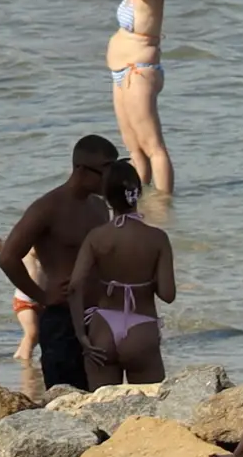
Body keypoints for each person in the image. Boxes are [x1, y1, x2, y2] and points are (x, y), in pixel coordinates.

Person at [0, 136, 117, 397]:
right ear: (82, 170)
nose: (112, 178)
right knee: (66, 400)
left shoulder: (99, 207)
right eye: (106, 170)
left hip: (98, 318)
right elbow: (7, 257)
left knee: (103, 398)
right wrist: (41, 296)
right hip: (62, 320)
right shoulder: (47, 208)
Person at [62, 165, 173, 385]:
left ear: (105, 197)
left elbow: (74, 287)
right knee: (149, 411)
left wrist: (82, 336)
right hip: (141, 331)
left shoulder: (97, 237)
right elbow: (168, 294)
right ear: (138, 193)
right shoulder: (157, 238)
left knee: (102, 410)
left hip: (103, 328)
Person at [105, 0, 170, 203]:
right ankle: (139, 203)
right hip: (122, 73)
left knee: (154, 148)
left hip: (139, 72)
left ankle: (165, 207)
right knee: (135, 150)